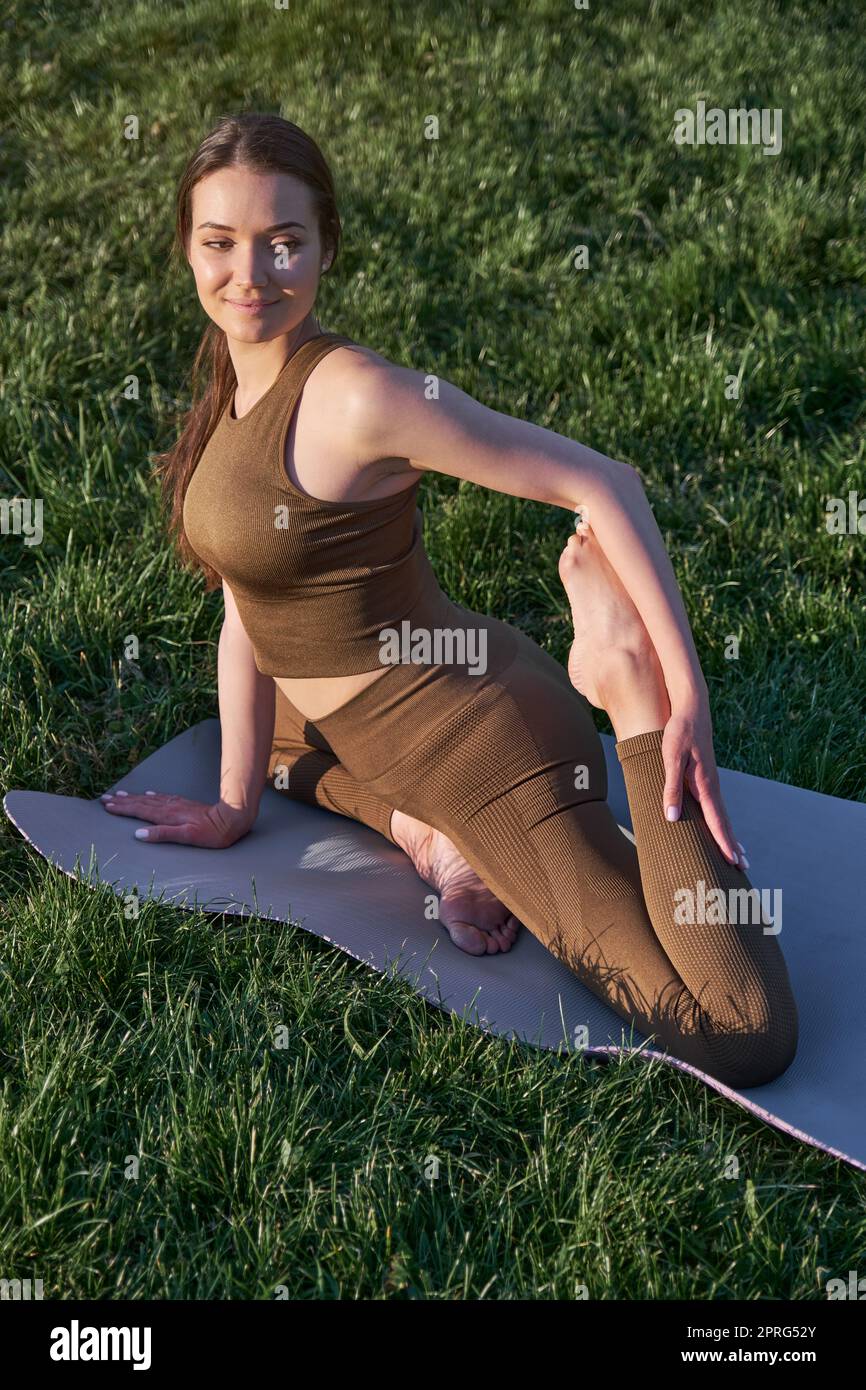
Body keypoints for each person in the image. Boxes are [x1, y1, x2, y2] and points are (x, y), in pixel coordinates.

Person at [102, 113, 798, 1088]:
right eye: (219, 243)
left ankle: (617, 688)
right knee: (268, 747)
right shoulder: (235, 376)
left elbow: (604, 481)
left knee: (734, 1031)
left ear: (326, 247)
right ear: (187, 246)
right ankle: (424, 833)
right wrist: (229, 802)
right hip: (385, 728)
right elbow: (247, 608)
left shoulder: (356, 396)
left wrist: (675, 700)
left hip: (486, 752)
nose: (249, 274)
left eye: (282, 242)